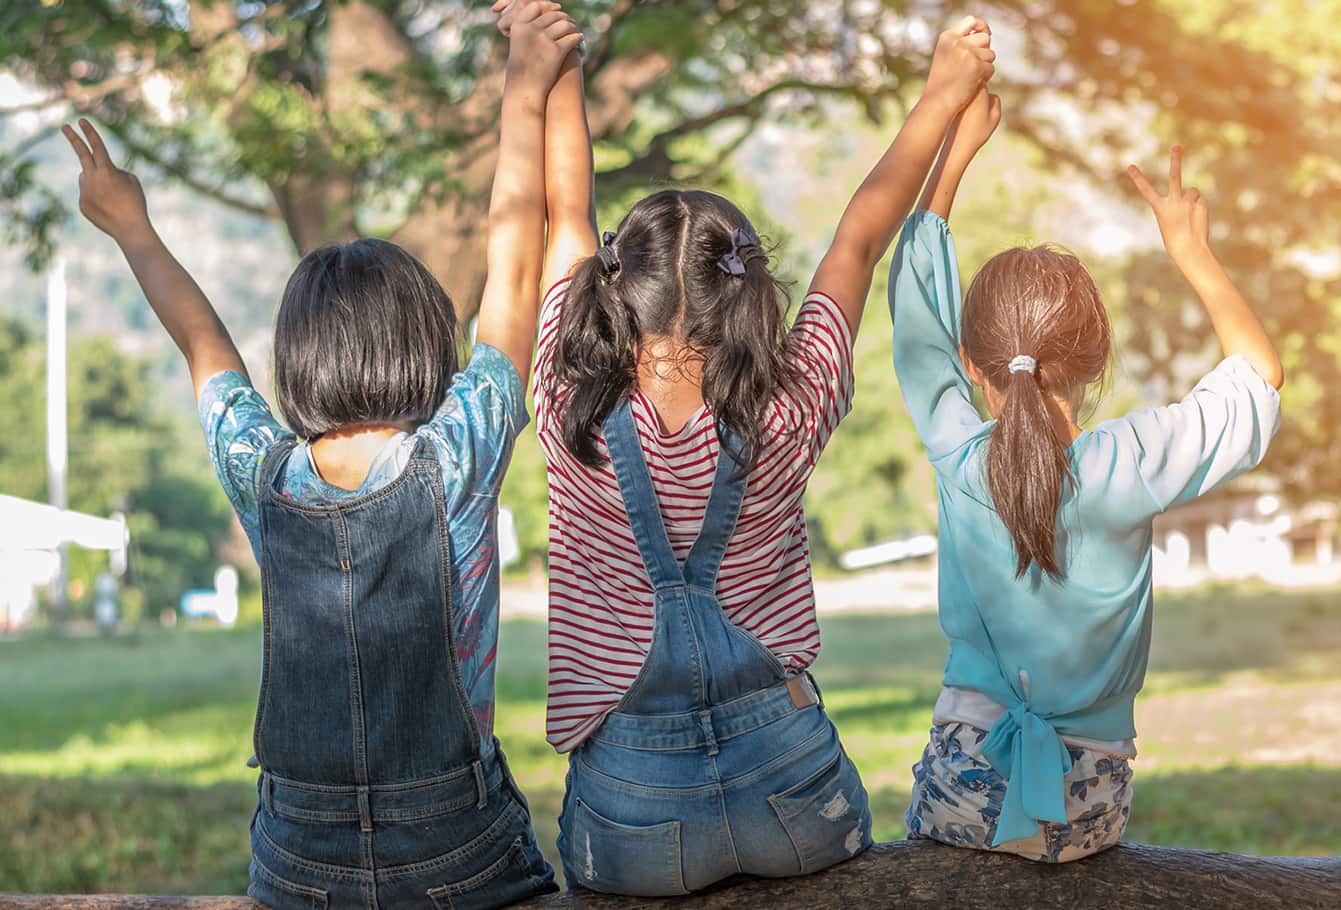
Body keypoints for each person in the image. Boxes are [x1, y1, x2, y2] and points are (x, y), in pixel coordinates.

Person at [61, 3, 581, 904]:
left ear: (298, 361)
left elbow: (203, 346)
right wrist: (523, 83)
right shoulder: (457, 455)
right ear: (426, 346)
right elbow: (516, 259)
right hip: (456, 852)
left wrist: (133, 229)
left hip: (301, 865)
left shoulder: (265, 477)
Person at [520, 9, 997, 895]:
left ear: (616, 288)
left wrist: (560, 66)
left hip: (632, 814)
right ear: (743, 292)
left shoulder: (563, 402)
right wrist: (941, 96)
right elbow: (858, 237)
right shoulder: (791, 403)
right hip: (794, 795)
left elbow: (565, 215)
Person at [889, 91, 1286, 862]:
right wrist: (1192, 254)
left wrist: (953, 157)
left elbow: (915, 323)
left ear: (973, 367)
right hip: (1089, 807)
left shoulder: (957, 454)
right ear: (1095, 364)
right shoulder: (1132, 463)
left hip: (963, 787)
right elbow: (1258, 379)